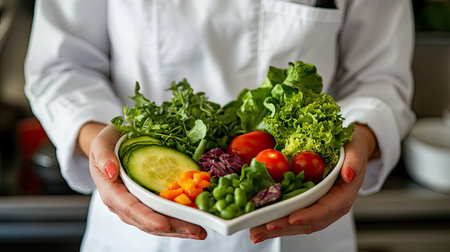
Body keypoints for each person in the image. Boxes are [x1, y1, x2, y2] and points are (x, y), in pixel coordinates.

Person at [24, 0, 416, 251]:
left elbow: (381, 78)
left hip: (307, 223)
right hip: (140, 224)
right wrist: (102, 144)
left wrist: (357, 143)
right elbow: (61, 66)